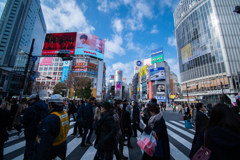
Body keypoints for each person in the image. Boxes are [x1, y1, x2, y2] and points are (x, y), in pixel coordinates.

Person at [35, 94, 69, 160]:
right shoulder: (64, 113)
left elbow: (45, 144)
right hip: (61, 147)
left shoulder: (51, 119)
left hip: (52, 150)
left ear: (51, 105)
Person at [20, 94, 48, 160]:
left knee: (30, 149)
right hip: (41, 130)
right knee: (36, 148)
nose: (29, 102)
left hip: (31, 131)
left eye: (30, 100)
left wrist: (21, 118)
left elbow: (25, 120)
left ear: (33, 100)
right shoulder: (46, 107)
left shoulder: (31, 108)